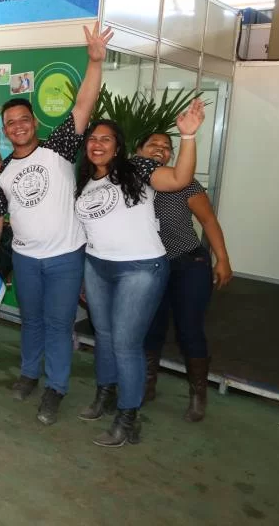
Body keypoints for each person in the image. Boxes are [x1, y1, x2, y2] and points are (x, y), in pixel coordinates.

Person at [0, 22, 113, 426]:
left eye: (24, 119)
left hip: (65, 257)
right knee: (31, 321)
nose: (17, 126)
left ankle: (56, 387)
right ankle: (28, 374)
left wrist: (94, 62)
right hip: (25, 259)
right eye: (10, 123)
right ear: (5, 130)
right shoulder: (0, 171)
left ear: (34, 122)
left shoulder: (59, 148)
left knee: (58, 324)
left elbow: (84, 105)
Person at [74, 99, 205, 447]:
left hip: (140, 268)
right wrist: (84, 274)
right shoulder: (84, 179)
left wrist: (188, 136)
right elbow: (87, 230)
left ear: (119, 147)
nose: (97, 144)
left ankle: (128, 418)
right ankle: (105, 395)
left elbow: (178, 179)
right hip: (97, 266)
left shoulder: (137, 168)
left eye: (106, 139)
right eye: (92, 139)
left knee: (126, 343)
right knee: (104, 337)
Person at [137, 132, 232, 422]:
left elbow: (208, 220)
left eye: (167, 147)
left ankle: (198, 395)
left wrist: (222, 259)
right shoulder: (127, 180)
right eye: (154, 145)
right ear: (138, 150)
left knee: (189, 328)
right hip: (151, 267)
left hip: (188, 263)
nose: (161, 150)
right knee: (151, 326)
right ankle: (147, 385)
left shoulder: (184, 182)